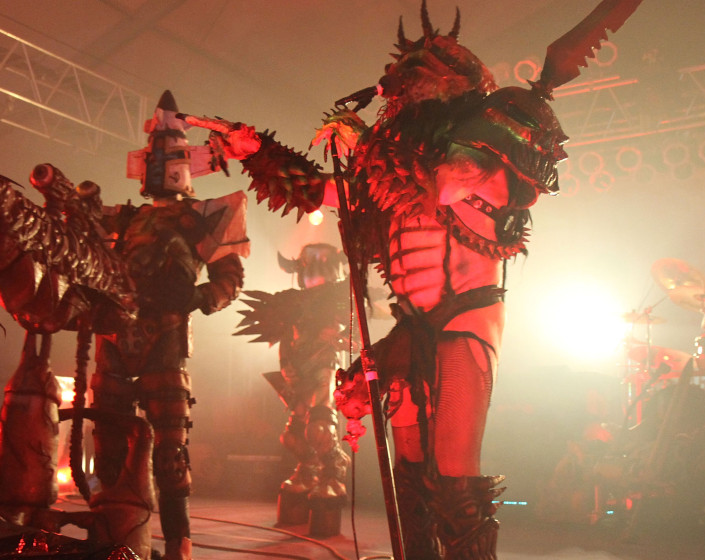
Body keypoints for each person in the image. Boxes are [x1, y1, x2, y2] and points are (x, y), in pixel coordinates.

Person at [186, 2, 641, 557]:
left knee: (453, 480)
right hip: (409, 326)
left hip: (464, 319)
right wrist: (255, 146)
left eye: (430, 66)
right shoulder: (384, 162)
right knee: (412, 477)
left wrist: (362, 142)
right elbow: (327, 191)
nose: (410, 80)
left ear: (465, 77)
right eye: (408, 71)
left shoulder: (487, 140)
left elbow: (446, 182)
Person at [88, 90, 249, 560]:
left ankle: (179, 546)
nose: (160, 162)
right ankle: (114, 536)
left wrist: (198, 296)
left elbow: (230, 273)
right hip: (116, 337)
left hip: (167, 340)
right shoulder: (125, 218)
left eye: (169, 153)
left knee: (171, 455)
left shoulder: (199, 216)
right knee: (109, 446)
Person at [234, 243, 352, 535]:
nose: (314, 272)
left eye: (322, 265)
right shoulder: (291, 304)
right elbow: (286, 338)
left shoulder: (340, 299)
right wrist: (287, 366)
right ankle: (309, 471)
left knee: (319, 428)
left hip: (325, 368)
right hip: (298, 373)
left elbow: (352, 333)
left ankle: (333, 473)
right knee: (292, 437)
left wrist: (341, 336)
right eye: (309, 266)